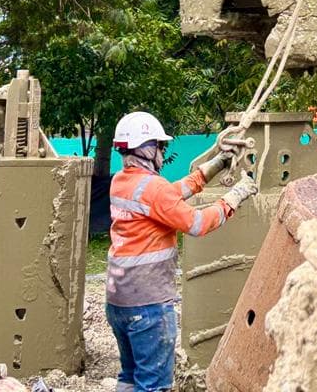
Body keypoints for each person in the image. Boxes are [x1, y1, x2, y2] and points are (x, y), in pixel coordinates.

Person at [106, 111, 259, 392]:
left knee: (129, 376)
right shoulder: (153, 188)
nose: (163, 153)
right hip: (148, 305)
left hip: (119, 302)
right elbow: (197, 224)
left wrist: (214, 166)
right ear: (146, 149)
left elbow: (168, 196)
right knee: (153, 385)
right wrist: (234, 197)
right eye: (160, 147)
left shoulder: (122, 182)